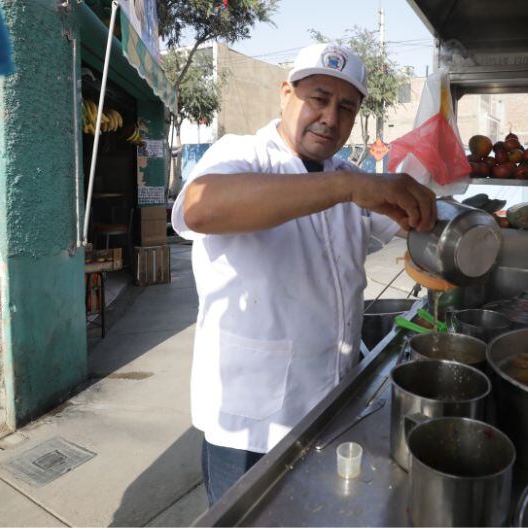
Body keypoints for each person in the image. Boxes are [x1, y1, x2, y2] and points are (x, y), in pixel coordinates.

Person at [171, 43, 437, 506]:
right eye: (318, 98)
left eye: (346, 107)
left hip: (331, 406)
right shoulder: (243, 153)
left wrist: (450, 211)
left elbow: (408, 218)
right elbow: (200, 207)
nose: (330, 118)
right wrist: (348, 186)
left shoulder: (345, 174)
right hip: (252, 426)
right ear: (285, 95)